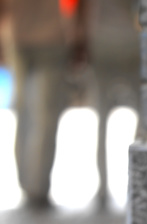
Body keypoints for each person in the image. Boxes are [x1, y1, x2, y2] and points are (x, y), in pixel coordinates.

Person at [0, 0, 88, 207]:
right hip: (48, 38)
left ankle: (28, 180)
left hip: (20, 37)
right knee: (43, 116)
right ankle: (37, 185)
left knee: (25, 112)